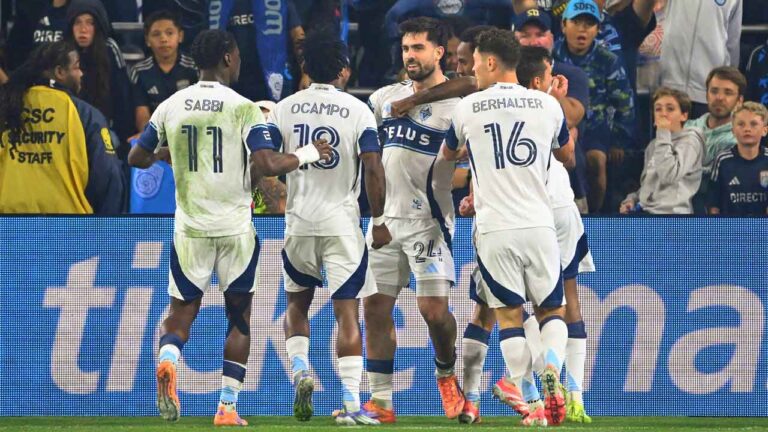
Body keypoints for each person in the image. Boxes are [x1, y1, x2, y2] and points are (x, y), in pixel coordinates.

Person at [127, 29, 331, 427]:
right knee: (238, 319)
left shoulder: (171, 104)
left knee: (180, 312)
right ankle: (226, 408)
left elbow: (137, 155)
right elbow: (268, 165)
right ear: (225, 57)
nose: (238, 62)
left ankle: (168, 359)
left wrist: (178, 155)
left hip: (189, 230)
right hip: (234, 230)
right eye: (236, 55)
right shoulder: (242, 108)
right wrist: (308, 152)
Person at [444, 28, 573, 426]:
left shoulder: (467, 108)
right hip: (538, 223)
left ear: (490, 62)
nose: (472, 70)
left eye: (475, 62)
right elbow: (566, 153)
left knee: (509, 317)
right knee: (553, 310)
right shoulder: (548, 106)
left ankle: (533, 399)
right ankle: (551, 365)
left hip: (495, 229)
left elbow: (448, 158)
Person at [265, 31, 390, 426]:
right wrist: (381, 219)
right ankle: (351, 404)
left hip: (299, 223)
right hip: (341, 224)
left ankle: (301, 368)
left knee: (296, 304)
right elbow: (372, 167)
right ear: (344, 70)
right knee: (347, 314)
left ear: (303, 67)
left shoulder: (283, 109)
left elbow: (265, 162)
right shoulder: (358, 111)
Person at [363, 17, 463, 423]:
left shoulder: (457, 105)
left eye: (419, 48)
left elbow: (466, 165)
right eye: (406, 48)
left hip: (429, 222)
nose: (410, 56)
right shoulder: (384, 98)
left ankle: (446, 373)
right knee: (374, 308)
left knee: (433, 311)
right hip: (386, 221)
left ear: (439, 52)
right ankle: (381, 403)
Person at [0, 40, 124, 214]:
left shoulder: (8, 106)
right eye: (76, 67)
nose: (81, 73)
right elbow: (108, 175)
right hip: (66, 227)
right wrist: (106, 229)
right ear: (60, 72)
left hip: (8, 225)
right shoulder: (85, 114)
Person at [553, 0, 635, 213]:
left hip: (597, 127)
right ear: (563, 25)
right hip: (559, 125)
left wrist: (619, 141)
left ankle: (595, 216)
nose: (582, 29)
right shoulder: (551, 57)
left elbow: (624, 104)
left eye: (589, 24)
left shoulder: (608, 60)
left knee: (596, 162)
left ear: (598, 29)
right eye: (576, 22)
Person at [620, 87, 704, 214]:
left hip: (673, 217)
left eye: (670, 109)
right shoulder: (653, 145)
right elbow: (649, 185)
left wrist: (663, 132)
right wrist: (632, 200)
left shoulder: (690, 141)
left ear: (683, 115)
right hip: (646, 213)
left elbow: (668, 176)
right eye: (658, 109)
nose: (663, 113)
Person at [65, 0, 134, 155]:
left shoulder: (109, 48)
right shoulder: (62, 52)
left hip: (104, 128)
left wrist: (124, 138)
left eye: (90, 23)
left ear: (99, 26)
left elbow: (122, 98)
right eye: (78, 23)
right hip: (69, 128)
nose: (83, 29)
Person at [660, 0, 742, 118]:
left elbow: (733, 42)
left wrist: (727, 85)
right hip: (671, 85)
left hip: (709, 92)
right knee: (668, 136)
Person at [130, 10, 198, 136]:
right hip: (155, 136)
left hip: (189, 135)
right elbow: (142, 116)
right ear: (147, 40)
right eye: (156, 34)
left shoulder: (195, 68)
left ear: (180, 36)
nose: (163, 39)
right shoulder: (139, 71)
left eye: (169, 33)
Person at [708, 102, 768, 216]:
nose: (747, 129)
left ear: (765, 130)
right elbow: (713, 203)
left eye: (753, 124)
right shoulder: (723, 160)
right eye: (741, 124)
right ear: (733, 131)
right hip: (731, 229)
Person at [685, 67, 744, 173]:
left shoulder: (739, 140)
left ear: (739, 100)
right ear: (706, 95)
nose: (720, 97)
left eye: (728, 92)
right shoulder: (686, 128)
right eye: (714, 91)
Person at [7, 0, 70, 69]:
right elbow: (14, 49)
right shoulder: (30, 9)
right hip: (30, 73)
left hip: (65, 72)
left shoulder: (78, 8)